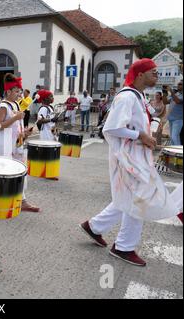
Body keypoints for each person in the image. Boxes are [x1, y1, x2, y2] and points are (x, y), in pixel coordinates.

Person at [79, 59, 182, 267]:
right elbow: (110, 128)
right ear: (140, 74)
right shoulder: (126, 97)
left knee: (128, 197)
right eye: (153, 72)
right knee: (139, 199)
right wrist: (140, 135)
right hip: (128, 156)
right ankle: (124, 247)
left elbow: (150, 116)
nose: (157, 75)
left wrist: (156, 118)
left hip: (137, 155)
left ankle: (94, 227)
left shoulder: (139, 96)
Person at [0, 73, 40, 213]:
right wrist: (15, 119)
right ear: (8, 91)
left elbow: (15, 126)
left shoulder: (15, 104)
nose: (19, 94)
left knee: (20, 172)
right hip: (5, 145)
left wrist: (25, 132)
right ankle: (2, 201)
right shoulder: (3, 106)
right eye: (16, 91)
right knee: (4, 173)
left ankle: (21, 201)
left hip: (17, 143)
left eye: (20, 91)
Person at [167, 81, 183, 145]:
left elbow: (178, 101)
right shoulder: (176, 94)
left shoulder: (176, 94)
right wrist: (164, 93)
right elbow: (165, 102)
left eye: (180, 84)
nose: (178, 85)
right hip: (171, 118)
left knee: (175, 137)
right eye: (178, 84)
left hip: (178, 119)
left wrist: (171, 91)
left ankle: (178, 152)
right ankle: (174, 152)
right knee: (172, 138)